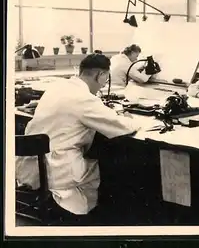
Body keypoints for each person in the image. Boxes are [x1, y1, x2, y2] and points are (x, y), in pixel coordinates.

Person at [15, 54, 141, 225]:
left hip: (28, 166)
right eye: (105, 80)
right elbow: (123, 127)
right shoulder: (85, 99)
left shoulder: (57, 88)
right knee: (105, 167)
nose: (104, 85)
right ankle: (95, 219)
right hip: (56, 171)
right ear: (100, 75)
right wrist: (131, 119)